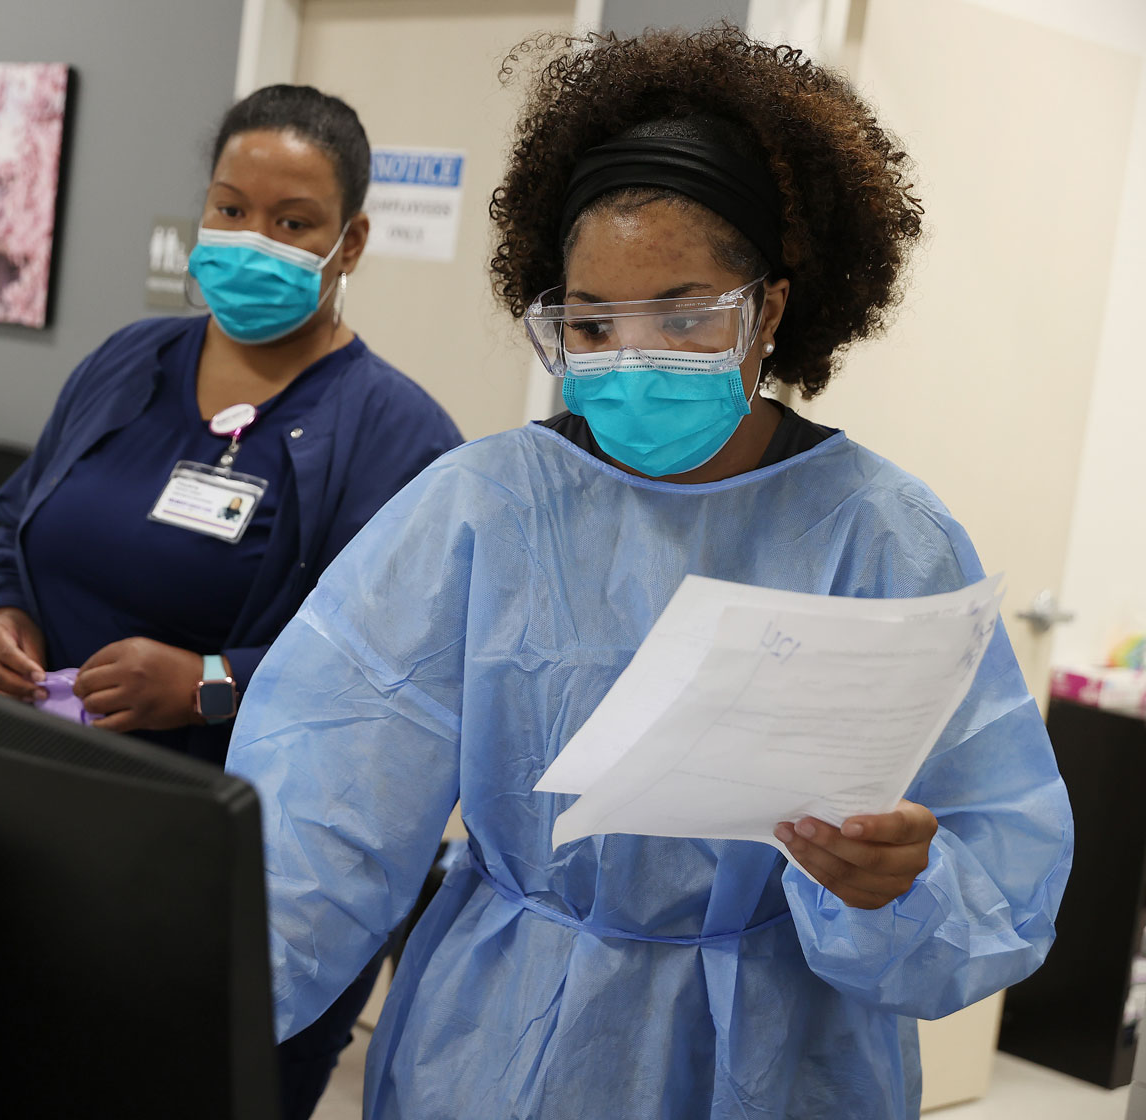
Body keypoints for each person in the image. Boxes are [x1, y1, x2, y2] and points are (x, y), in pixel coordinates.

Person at [225, 28, 1073, 1119]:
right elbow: (318, 816)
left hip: (784, 1057)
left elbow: (996, 866)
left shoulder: (884, 538)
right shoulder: (481, 508)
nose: (629, 355)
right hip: (496, 1048)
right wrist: (185, 1000)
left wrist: (899, 885)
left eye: (681, 316)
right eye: (591, 321)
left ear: (766, 311)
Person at [0, 85, 462, 1116]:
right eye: (231, 209)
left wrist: (210, 685)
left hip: (234, 882)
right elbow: (16, 523)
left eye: (293, 223)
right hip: (47, 828)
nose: (252, 239)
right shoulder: (126, 363)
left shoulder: (397, 436)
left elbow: (395, 690)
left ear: (351, 241)